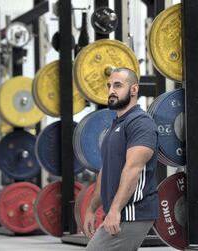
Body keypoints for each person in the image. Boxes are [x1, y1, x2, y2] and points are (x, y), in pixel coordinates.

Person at [84, 67, 159, 251]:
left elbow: (133, 169)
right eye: (109, 86)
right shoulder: (116, 125)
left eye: (117, 85)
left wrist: (115, 210)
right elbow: (106, 169)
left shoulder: (141, 123)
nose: (111, 91)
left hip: (133, 212)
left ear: (134, 89)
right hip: (120, 212)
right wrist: (92, 208)